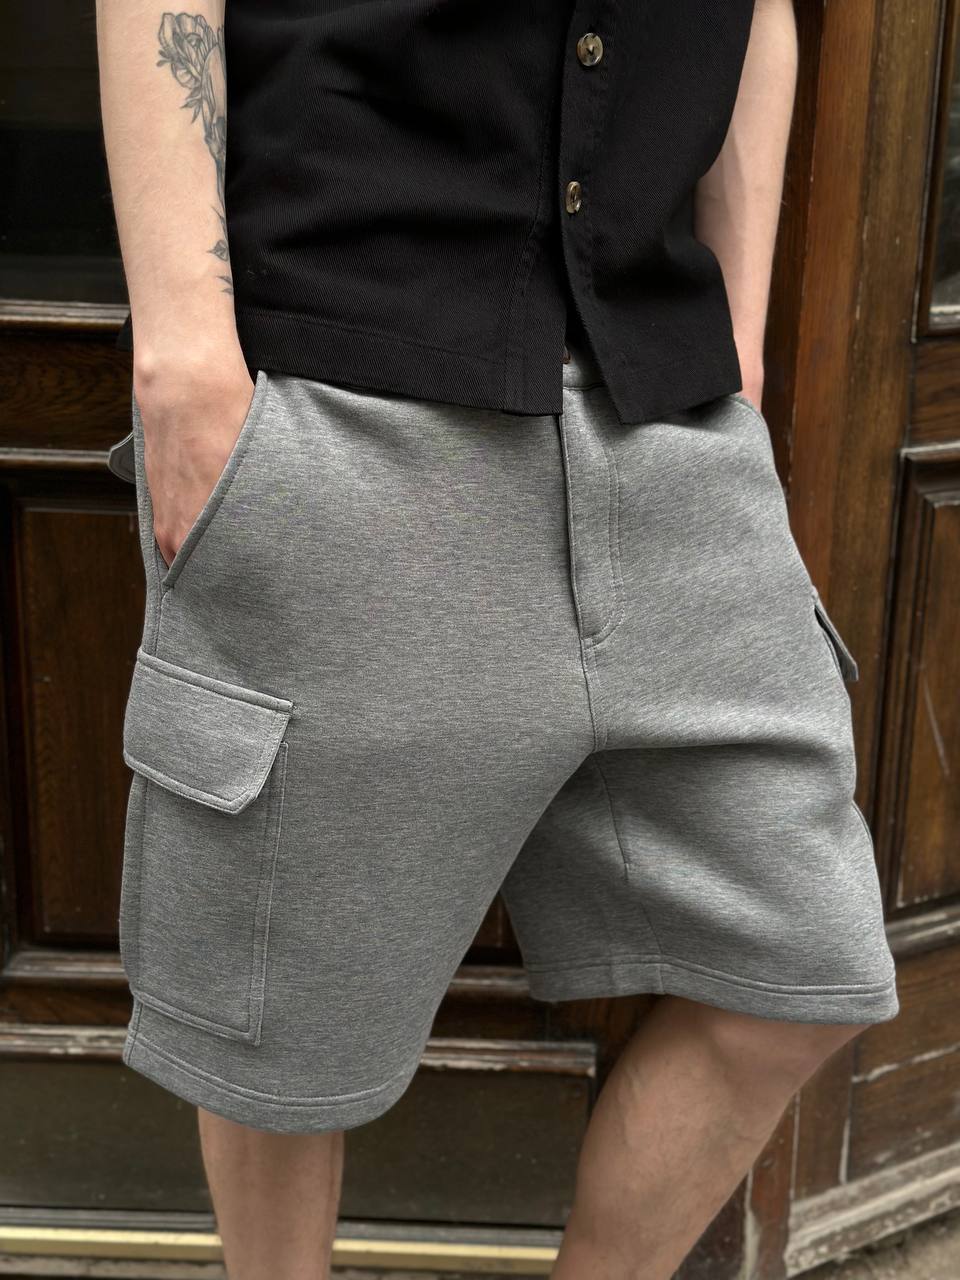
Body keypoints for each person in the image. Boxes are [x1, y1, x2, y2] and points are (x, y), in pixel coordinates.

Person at [95, 2, 899, 1276]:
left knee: (802, 964)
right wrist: (185, 350)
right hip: (347, 386)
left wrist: (738, 341)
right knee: (278, 1038)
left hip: (666, 413)